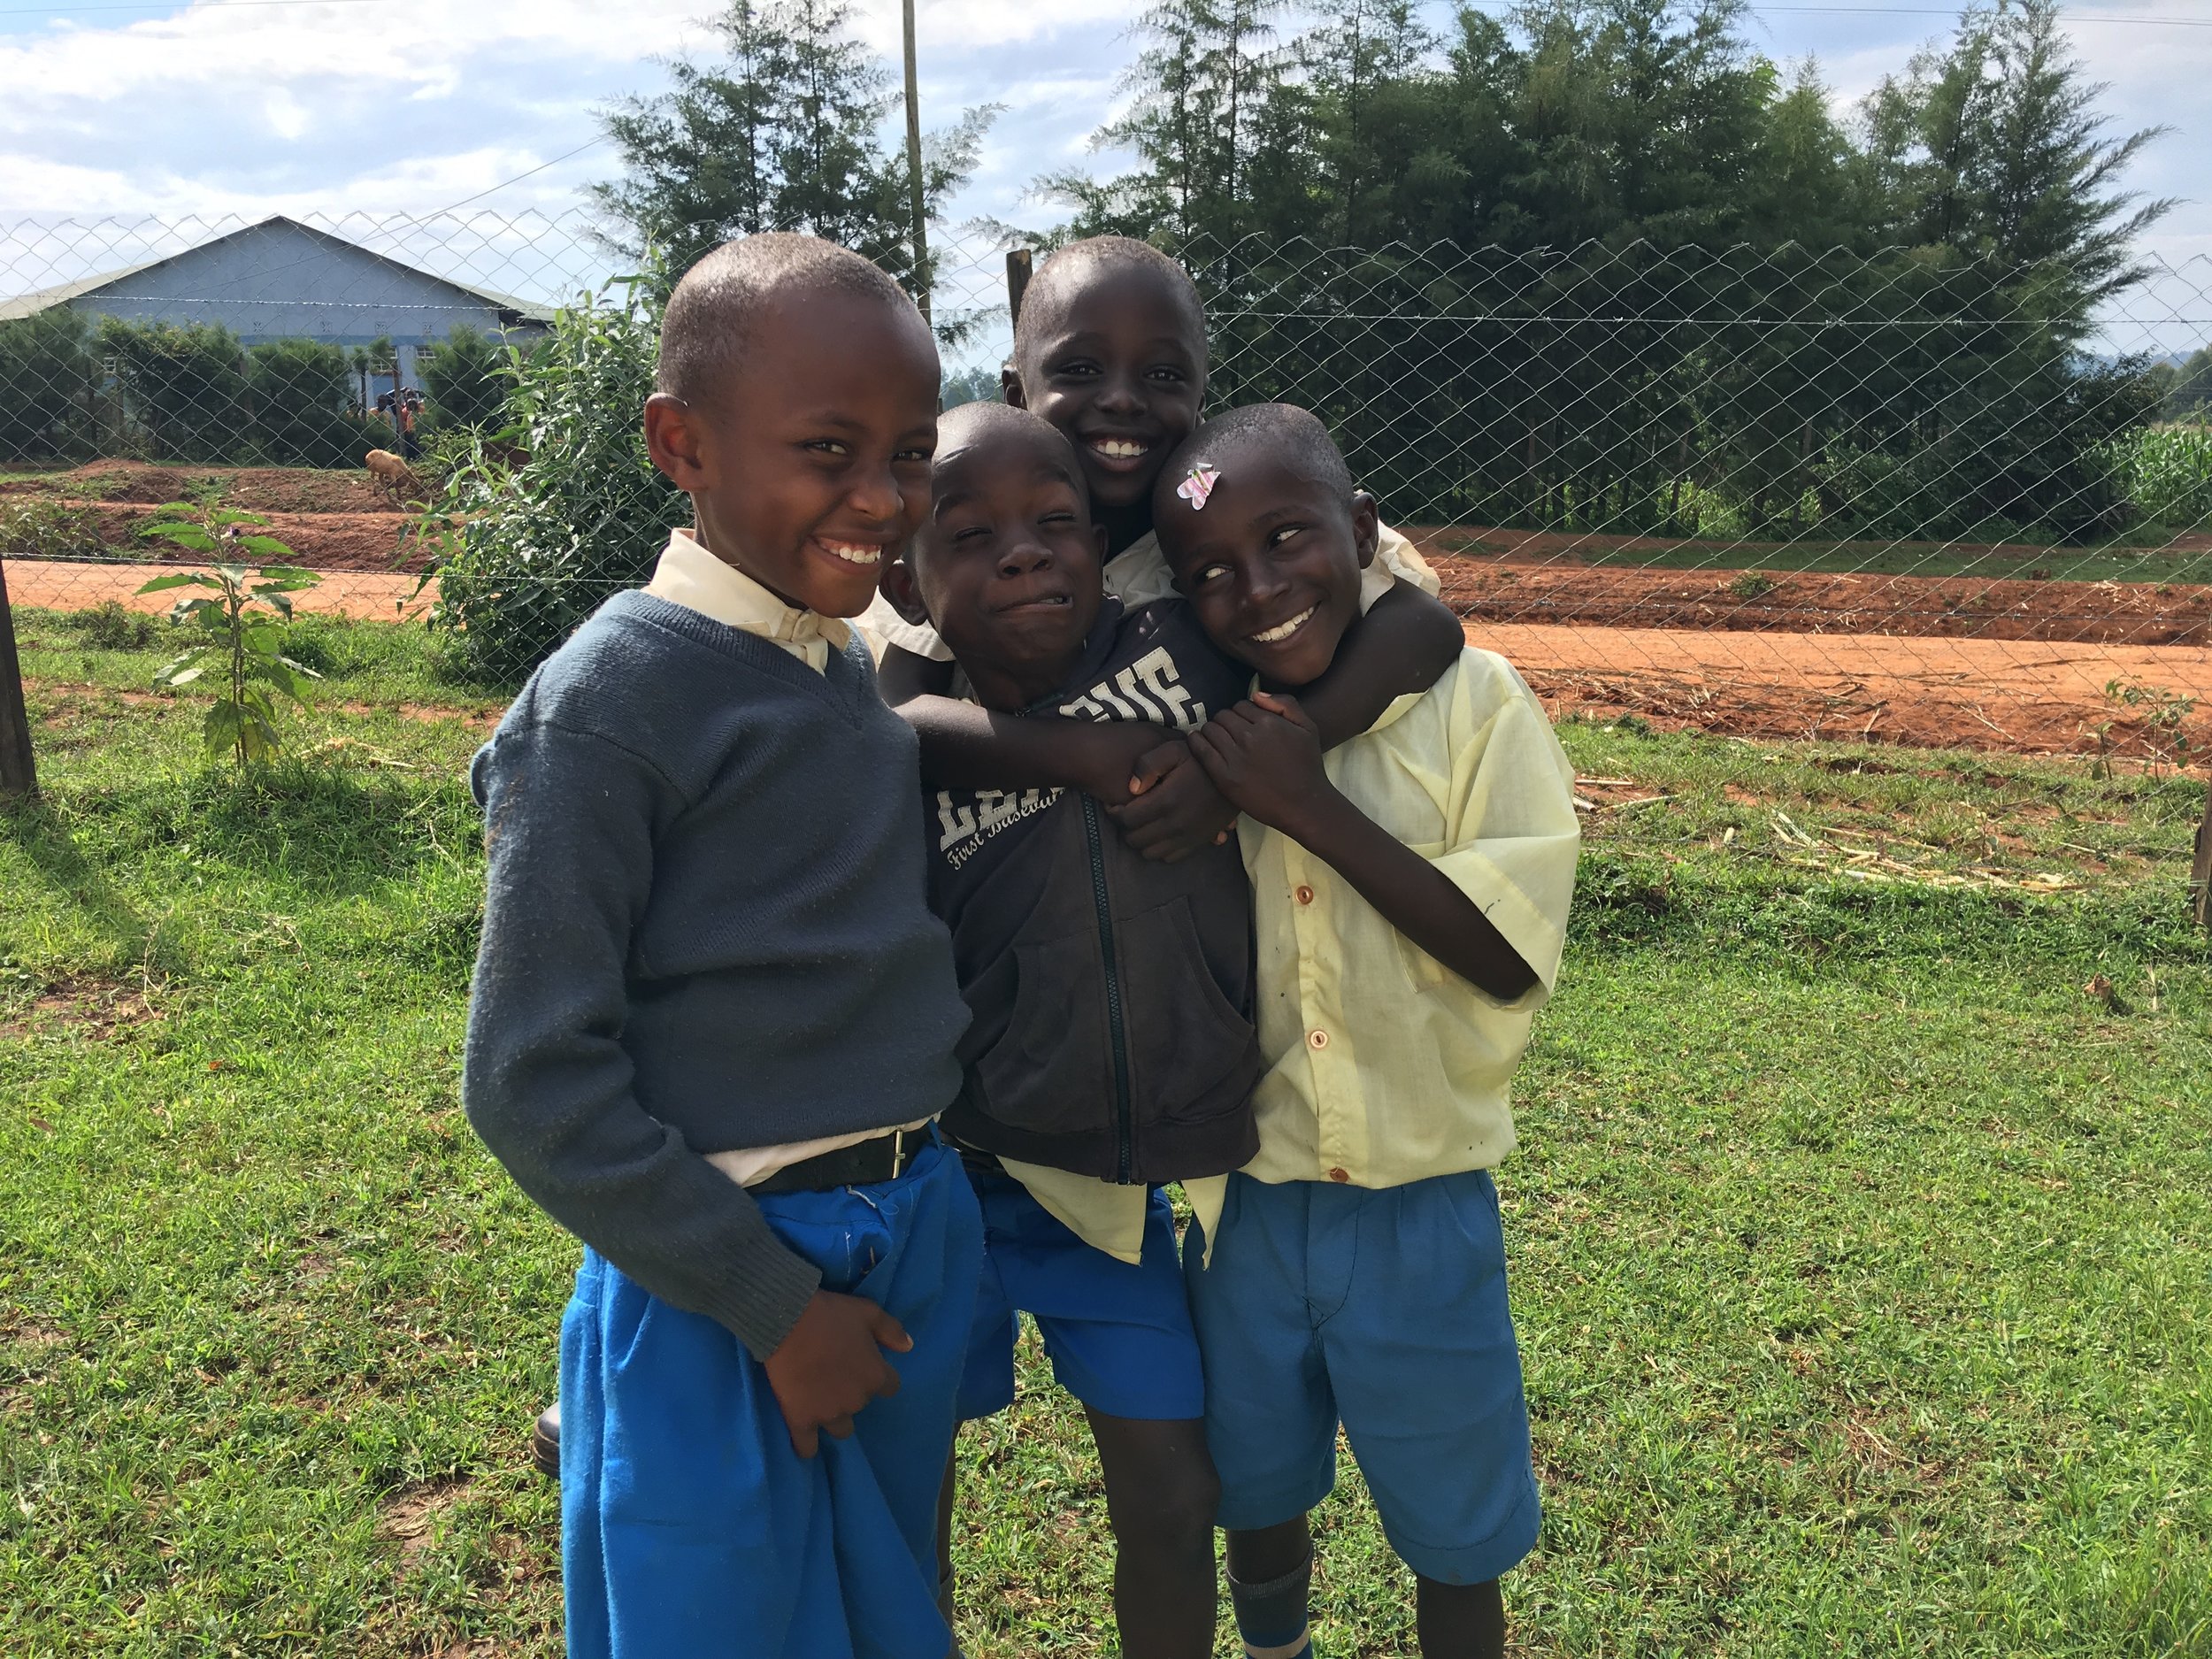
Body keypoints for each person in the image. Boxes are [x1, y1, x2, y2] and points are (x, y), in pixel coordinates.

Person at [463, 233, 979, 1659]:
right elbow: (527, 1078)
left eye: (910, 451)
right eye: (827, 448)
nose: (882, 497)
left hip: (899, 1232)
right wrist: (770, 1304)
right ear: (679, 444)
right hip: (729, 1283)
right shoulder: (610, 702)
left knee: (889, 1602)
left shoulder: (838, 661)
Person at [1154, 404, 1582, 1659]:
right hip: (1241, 1206)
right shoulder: (1199, 723)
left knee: (1459, 1533)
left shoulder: (1477, 703)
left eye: (1288, 537)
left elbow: (1507, 955)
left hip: (1424, 1209)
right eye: (1213, 573)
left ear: (1363, 530)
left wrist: (1304, 802)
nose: (1259, 587)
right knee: (1256, 1488)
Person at [880, 401, 1260, 1659]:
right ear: (908, 576)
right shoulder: (895, 729)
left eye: (1056, 524)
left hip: (1113, 1190)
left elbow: (1386, 605)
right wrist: (1078, 758)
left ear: (1104, 541)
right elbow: (888, 725)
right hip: (949, 1173)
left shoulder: (1182, 649)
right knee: (905, 1486)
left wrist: (1217, 769)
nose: (1026, 552)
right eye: (971, 531)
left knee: (1173, 1492)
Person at [875, 236, 1466, 864]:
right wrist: (1082, 755)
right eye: (1080, 369)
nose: (1124, 398)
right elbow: (898, 719)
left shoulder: (1220, 517)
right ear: (1017, 392)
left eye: (1163, 375)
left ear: (1200, 399)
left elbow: (1421, 624)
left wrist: (1231, 775)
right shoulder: (973, 550)